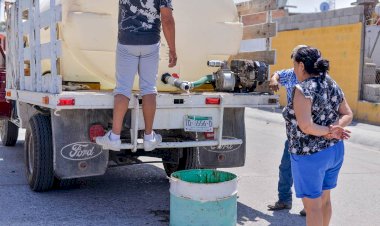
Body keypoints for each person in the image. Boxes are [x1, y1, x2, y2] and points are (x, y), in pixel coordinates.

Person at [283, 46, 353, 226]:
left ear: (300, 65)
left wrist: (330, 130)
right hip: (334, 151)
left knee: (312, 207)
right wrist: (336, 129)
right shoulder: (330, 83)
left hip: (310, 156)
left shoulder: (303, 89)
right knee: (325, 201)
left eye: (294, 65)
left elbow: (306, 126)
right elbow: (347, 113)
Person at [96, 0, 177, 151]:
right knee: (148, 88)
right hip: (151, 43)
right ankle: (148, 137)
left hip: (127, 42)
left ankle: (114, 137)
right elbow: (167, 19)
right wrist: (172, 49)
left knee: (123, 88)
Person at [267, 45, 307, 216]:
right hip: (292, 135)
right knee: (286, 167)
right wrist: (274, 79)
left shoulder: (316, 78)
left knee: (307, 169)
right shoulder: (291, 74)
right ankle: (284, 200)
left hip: (311, 134)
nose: (295, 62)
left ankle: (310, 204)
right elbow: (277, 73)